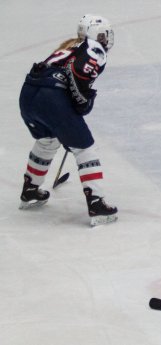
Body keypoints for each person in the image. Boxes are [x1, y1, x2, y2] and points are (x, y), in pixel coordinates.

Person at [18, 14, 118, 226]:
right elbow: (79, 73)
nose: (106, 39)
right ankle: (97, 204)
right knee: (85, 148)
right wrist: (81, 99)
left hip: (29, 94)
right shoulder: (94, 48)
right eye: (103, 35)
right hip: (51, 98)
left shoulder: (70, 46)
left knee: (47, 140)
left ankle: (30, 190)